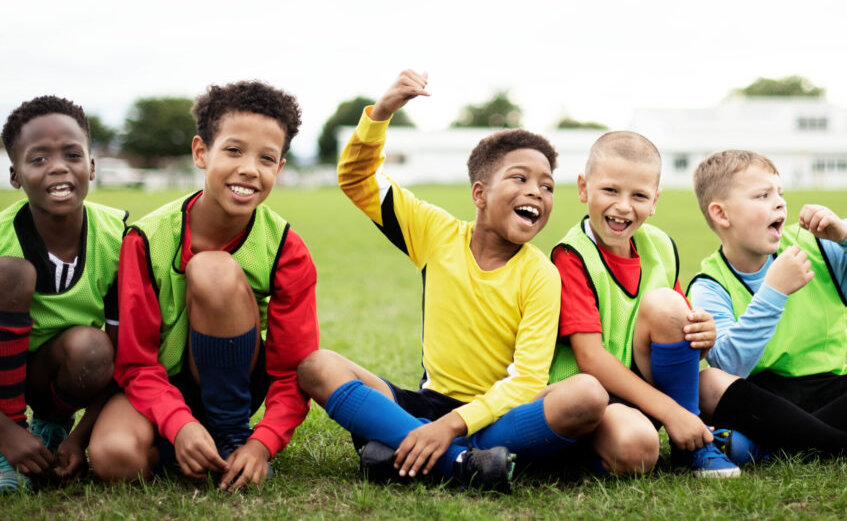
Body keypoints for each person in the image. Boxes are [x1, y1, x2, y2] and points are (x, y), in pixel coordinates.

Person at [297, 70, 606, 492]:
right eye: (520, 178)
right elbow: (357, 179)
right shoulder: (435, 232)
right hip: (427, 406)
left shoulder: (541, 274)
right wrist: (382, 112)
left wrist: (450, 427)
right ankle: (461, 463)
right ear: (480, 194)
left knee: (587, 394)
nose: (537, 191)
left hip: (500, 415)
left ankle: (402, 449)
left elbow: (528, 382)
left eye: (547, 185)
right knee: (318, 366)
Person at [87, 81, 318, 492]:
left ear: (279, 170)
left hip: (234, 381)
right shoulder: (145, 238)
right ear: (200, 152)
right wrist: (178, 426)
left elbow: (290, 372)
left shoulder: (286, 248)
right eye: (233, 150)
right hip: (158, 385)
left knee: (213, 269)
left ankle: (230, 435)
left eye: (267, 158)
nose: (249, 168)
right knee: (114, 458)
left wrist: (262, 444)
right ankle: (189, 444)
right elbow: (136, 364)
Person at [688, 149, 847, 468]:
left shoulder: (814, 245)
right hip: (758, 397)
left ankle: (766, 446)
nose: (779, 202)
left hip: (828, 387)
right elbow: (729, 365)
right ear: (722, 215)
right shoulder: (710, 284)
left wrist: (845, 235)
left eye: (779, 193)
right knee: (707, 382)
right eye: (762, 195)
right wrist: (774, 292)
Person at [547, 131, 738, 477]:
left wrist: (702, 336)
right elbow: (589, 358)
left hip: (643, 387)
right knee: (638, 451)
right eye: (610, 190)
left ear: (654, 201)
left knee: (674, 313)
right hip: (590, 396)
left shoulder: (659, 245)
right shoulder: (572, 255)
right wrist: (671, 411)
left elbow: (675, 330)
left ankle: (692, 447)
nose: (623, 206)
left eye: (638, 195)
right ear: (583, 188)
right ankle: (560, 455)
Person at [0, 96, 124, 492]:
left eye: (72, 154)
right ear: (15, 174)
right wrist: (6, 433)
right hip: (4, 389)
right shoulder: (2, 237)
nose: (57, 167)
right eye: (37, 159)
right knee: (13, 275)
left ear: (90, 165)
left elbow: (129, 357)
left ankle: (51, 428)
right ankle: (10, 445)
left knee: (93, 346)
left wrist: (80, 438)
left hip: (57, 376)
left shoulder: (120, 237)